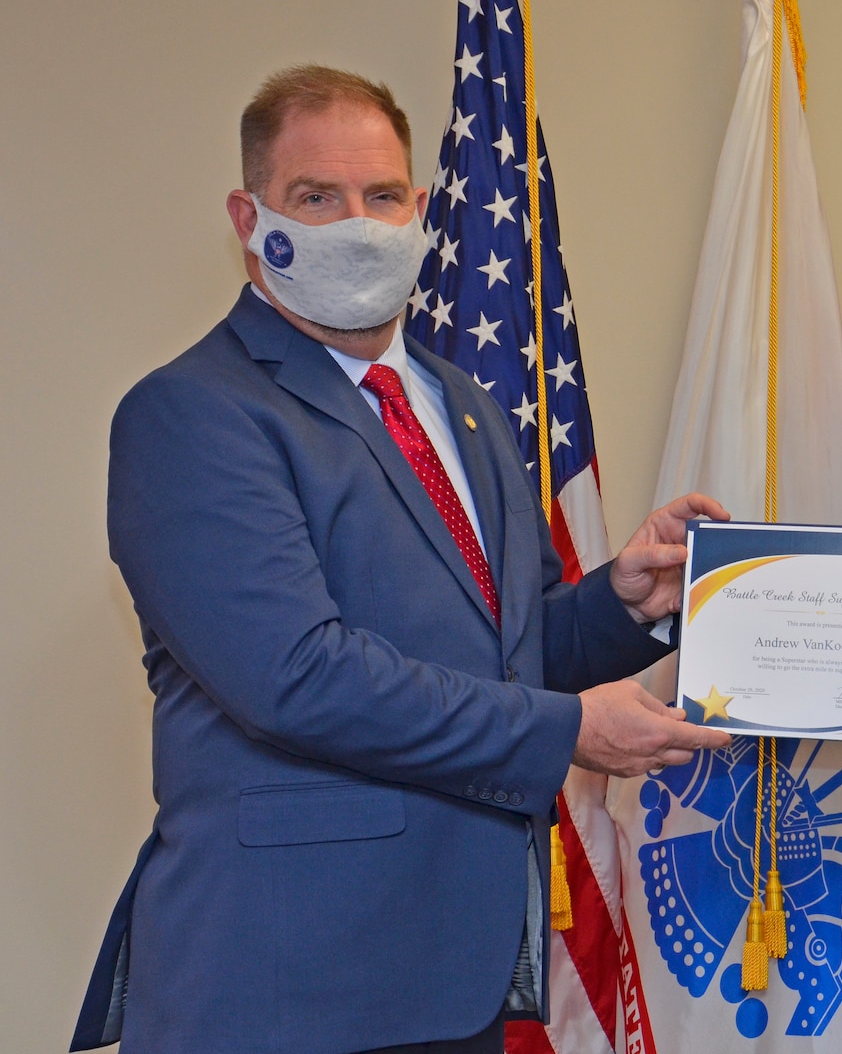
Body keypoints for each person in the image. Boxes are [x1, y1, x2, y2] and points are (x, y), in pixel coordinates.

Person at [71, 65, 729, 1054]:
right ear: (249, 216)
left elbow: (508, 645)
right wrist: (565, 733)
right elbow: (298, 676)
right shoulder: (194, 415)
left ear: (422, 208)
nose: (357, 224)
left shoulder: (459, 403)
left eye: (381, 196)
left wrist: (622, 602)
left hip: (453, 982)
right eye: (316, 198)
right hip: (282, 988)